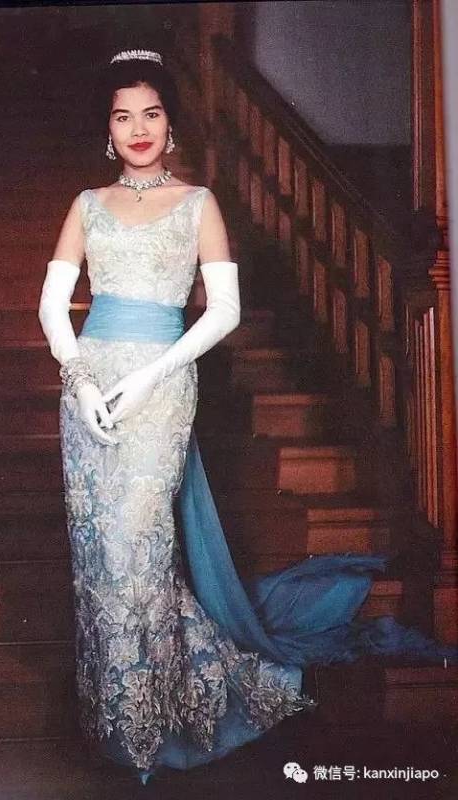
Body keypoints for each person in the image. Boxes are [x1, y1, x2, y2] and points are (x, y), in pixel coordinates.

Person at [38, 48, 457, 786]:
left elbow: (223, 310)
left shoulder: (198, 203)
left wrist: (149, 378)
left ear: (170, 123)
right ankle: (116, 720)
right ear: (107, 129)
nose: (138, 128)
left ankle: (154, 722)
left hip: (160, 386)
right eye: (123, 116)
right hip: (88, 390)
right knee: (99, 556)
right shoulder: (86, 205)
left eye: (151, 113)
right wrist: (79, 381)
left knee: (139, 548)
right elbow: (50, 306)